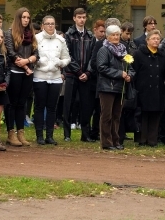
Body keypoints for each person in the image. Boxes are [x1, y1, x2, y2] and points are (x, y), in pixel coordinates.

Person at [33, 15, 70, 145]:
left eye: (52, 24)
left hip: (55, 78)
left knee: (52, 108)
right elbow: (32, 56)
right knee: (39, 106)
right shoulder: (36, 39)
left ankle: (49, 135)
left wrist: (60, 62)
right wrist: (38, 62)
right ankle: (39, 135)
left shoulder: (60, 40)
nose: (50, 26)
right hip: (40, 77)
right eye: (47, 23)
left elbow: (67, 58)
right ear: (43, 25)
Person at [63, 8, 97, 142]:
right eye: (79, 17)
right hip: (72, 74)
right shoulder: (69, 35)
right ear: (74, 18)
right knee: (68, 104)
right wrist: (78, 72)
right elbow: (67, 55)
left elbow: (92, 57)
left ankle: (85, 133)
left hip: (86, 76)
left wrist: (87, 72)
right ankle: (67, 134)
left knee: (86, 105)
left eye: (84, 17)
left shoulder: (90, 36)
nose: (82, 19)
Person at [95, 24, 132, 150]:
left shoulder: (124, 49)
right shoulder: (104, 50)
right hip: (107, 87)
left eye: (117, 34)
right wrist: (119, 74)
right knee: (107, 115)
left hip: (120, 87)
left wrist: (129, 75)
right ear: (107, 36)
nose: (116, 37)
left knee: (117, 115)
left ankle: (116, 141)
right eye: (113, 35)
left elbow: (130, 67)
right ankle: (106, 142)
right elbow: (101, 67)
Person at [4, 7, 37, 147]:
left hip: (28, 73)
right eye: (23, 17)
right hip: (15, 72)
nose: (26, 20)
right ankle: (11, 133)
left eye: (28, 17)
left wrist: (28, 62)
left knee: (22, 103)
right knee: (12, 103)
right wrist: (25, 65)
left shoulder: (32, 34)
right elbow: (11, 53)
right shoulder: (9, 33)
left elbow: (37, 54)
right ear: (18, 18)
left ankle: (20, 132)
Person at [132, 30, 165, 147]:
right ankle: (142, 139)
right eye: (153, 38)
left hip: (158, 89)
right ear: (147, 40)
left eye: (158, 39)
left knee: (155, 115)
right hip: (143, 89)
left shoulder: (162, 55)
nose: (156, 40)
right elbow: (134, 70)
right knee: (143, 115)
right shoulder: (139, 54)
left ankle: (152, 139)